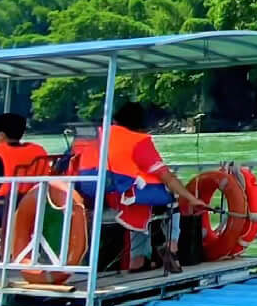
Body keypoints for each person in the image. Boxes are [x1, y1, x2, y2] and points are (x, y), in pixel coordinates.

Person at [71, 101, 204, 274]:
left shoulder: (94, 136)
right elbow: (167, 176)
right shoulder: (139, 141)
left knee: (142, 203)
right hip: (122, 196)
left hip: (90, 193)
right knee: (169, 201)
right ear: (140, 125)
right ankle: (170, 247)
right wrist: (192, 198)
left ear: (115, 121)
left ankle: (138, 261)